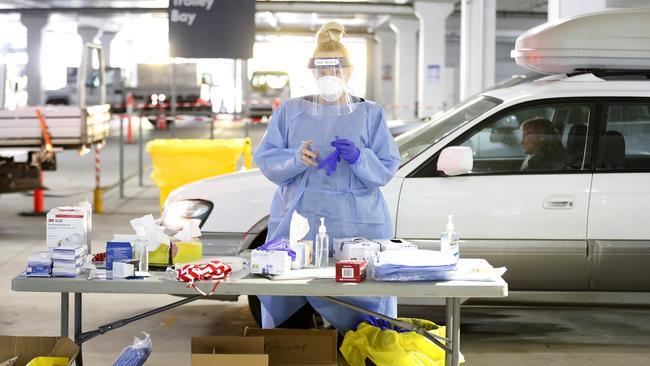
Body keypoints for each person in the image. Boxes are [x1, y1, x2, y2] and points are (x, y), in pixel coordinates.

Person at [253, 21, 401, 334]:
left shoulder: (369, 113)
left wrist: (360, 157)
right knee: (290, 319)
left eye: (336, 70)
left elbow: (387, 167)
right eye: (322, 70)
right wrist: (296, 158)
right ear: (313, 72)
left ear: (349, 72)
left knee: (362, 321)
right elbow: (266, 159)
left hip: (356, 228)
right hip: (298, 226)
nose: (329, 77)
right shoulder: (290, 111)